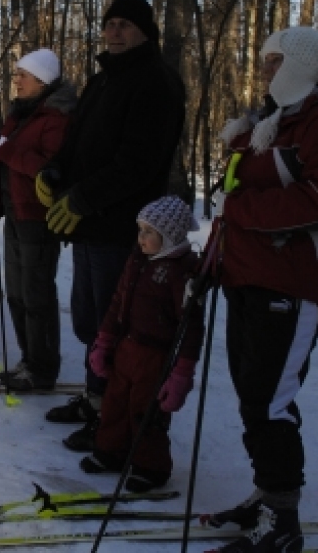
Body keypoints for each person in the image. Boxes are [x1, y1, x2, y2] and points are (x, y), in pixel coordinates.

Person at [203, 26, 318, 553]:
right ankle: (268, 493)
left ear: (303, 64)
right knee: (252, 394)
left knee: (270, 400)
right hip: (245, 275)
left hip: (292, 283)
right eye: (264, 62)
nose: (264, 72)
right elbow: (232, 189)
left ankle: (282, 520)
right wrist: (216, 250)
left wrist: (237, 209)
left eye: (274, 61)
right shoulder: (269, 123)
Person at [37, 0, 186, 452]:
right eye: (110, 24)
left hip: (125, 226)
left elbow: (138, 163)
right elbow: (77, 140)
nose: (115, 32)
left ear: (146, 32)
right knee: (91, 321)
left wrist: (81, 197)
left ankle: (113, 412)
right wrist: (55, 171)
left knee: (114, 323)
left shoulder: (156, 82)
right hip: (88, 223)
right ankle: (94, 396)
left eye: (125, 24)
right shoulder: (104, 80)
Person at [0, 48, 75, 389]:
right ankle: (29, 360)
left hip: (39, 216)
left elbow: (45, 169)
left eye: (23, 76)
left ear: (42, 81)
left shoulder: (57, 118)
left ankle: (43, 367)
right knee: (18, 294)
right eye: (17, 75)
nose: (17, 81)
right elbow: (2, 160)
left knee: (36, 294)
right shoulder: (20, 114)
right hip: (14, 212)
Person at [77, 196, 202, 493]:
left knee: (145, 411)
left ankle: (150, 466)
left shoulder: (181, 271)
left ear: (169, 236)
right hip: (126, 346)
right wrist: (104, 341)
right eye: (140, 230)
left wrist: (182, 373)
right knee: (115, 402)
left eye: (149, 232)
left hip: (156, 356)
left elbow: (192, 327)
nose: (141, 238)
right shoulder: (137, 260)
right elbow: (117, 302)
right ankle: (112, 450)